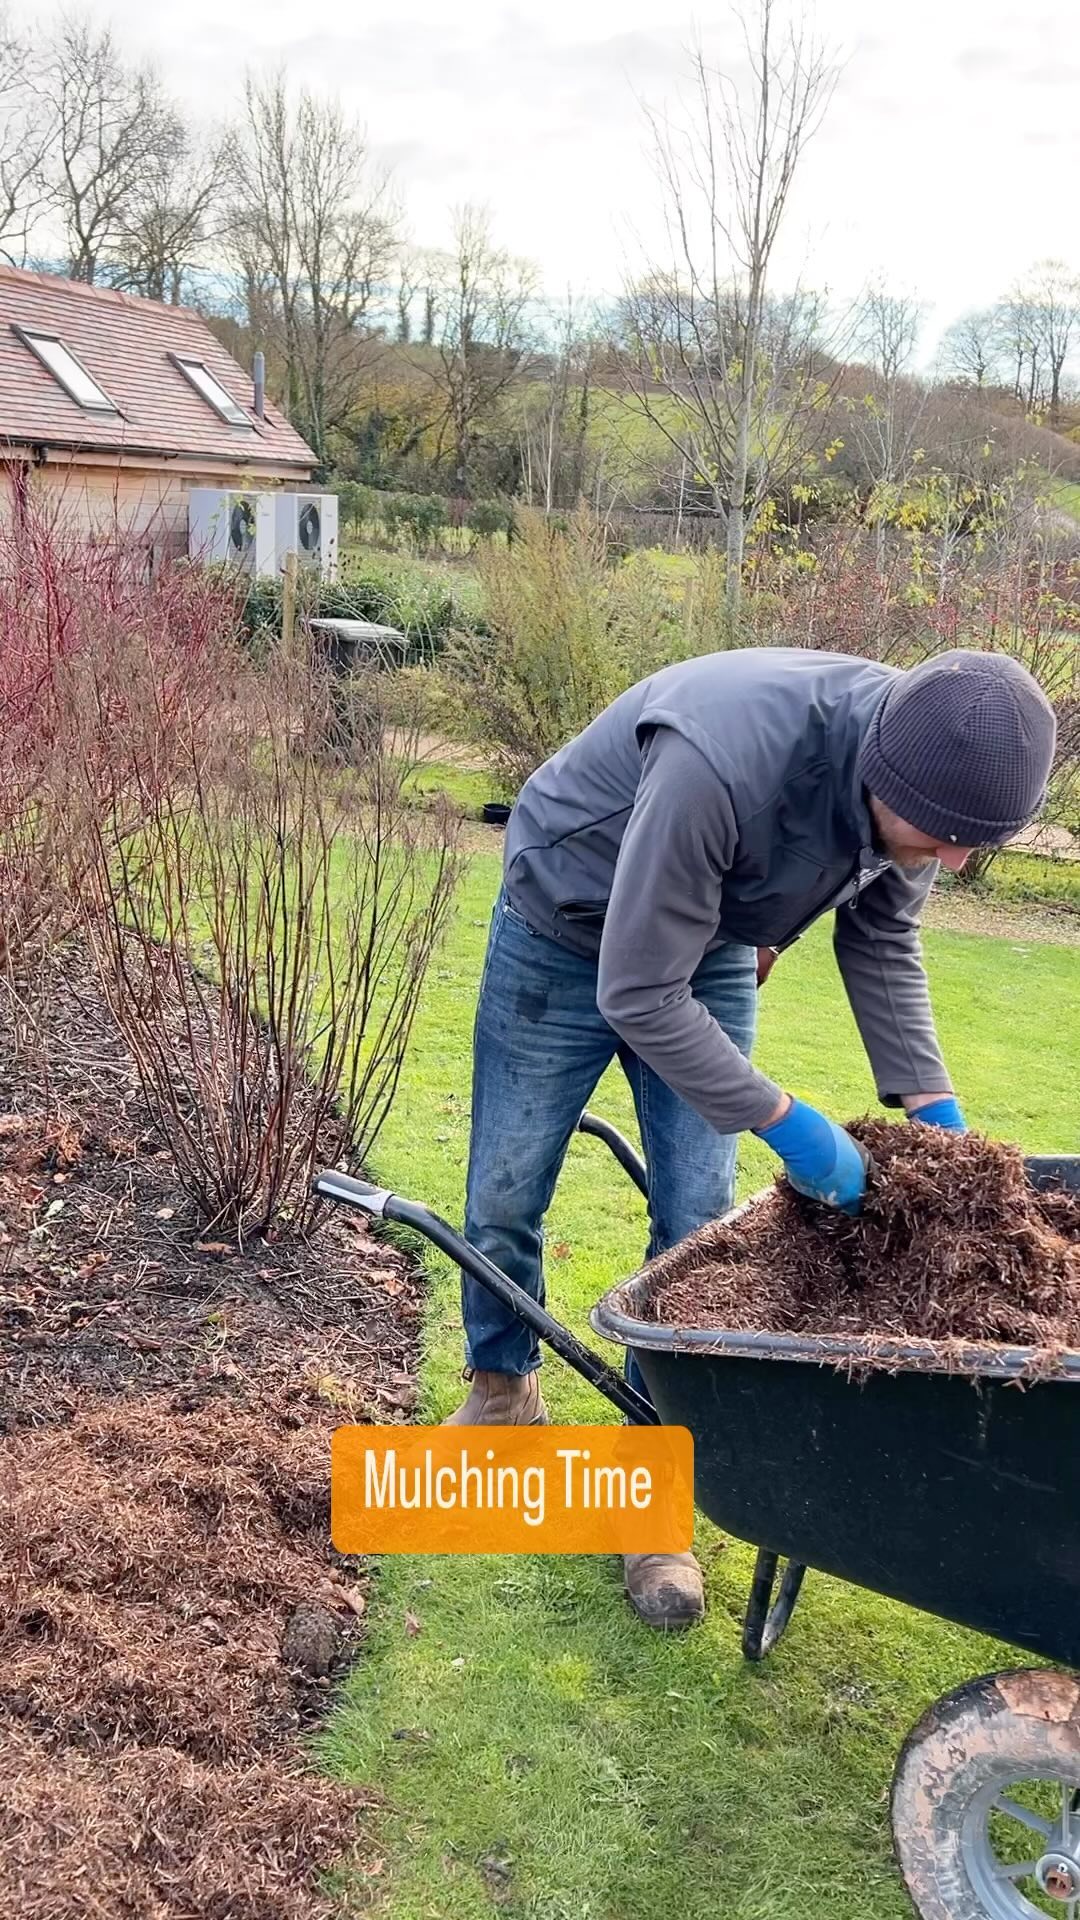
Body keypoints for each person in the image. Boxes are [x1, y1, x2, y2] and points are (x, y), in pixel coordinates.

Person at [445, 646, 1056, 1629]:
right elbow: (638, 991)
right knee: (505, 1191)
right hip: (562, 922)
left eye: (973, 843)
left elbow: (883, 936)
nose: (955, 861)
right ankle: (500, 1389)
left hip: (713, 935)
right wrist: (791, 1124)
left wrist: (934, 1113)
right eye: (946, 837)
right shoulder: (718, 761)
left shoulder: (921, 765)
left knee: (695, 1224)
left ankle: (648, 1494)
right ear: (886, 779)